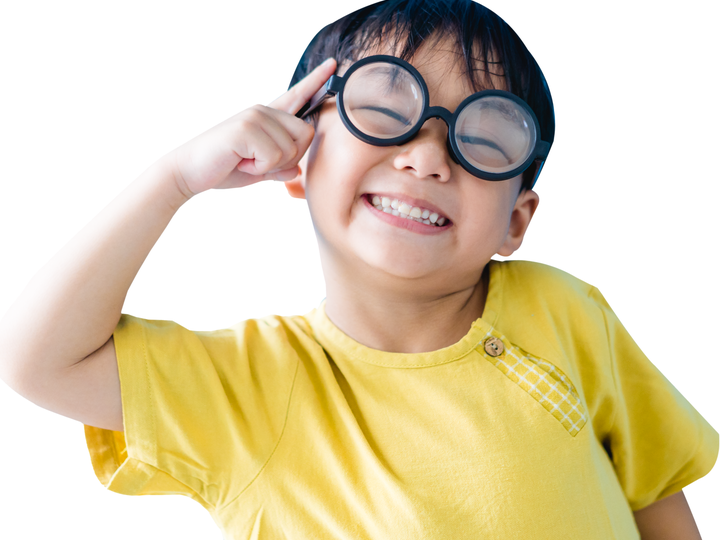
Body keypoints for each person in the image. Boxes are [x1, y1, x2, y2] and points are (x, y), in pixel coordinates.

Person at [0, 0, 716, 538]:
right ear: (298, 156)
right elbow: (40, 362)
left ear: (516, 221)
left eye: (484, 138)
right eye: (385, 111)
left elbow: (651, 490)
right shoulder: (249, 388)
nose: (428, 156)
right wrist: (174, 179)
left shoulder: (563, 311)